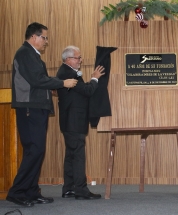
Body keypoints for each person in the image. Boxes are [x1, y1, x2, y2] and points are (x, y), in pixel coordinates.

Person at [7, 22, 78, 207]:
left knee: (37, 151)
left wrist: (51, 89)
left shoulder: (33, 55)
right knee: (33, 150)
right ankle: (17, 192)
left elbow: (37, 82)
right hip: (30, 108)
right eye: (44, 37)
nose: (46, 41)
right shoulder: (25, 53)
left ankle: (31, 192)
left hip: (37, 107)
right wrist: (61, 83)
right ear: (34, 37)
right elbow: (37, 80)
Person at [56, 46, 105, 200]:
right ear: (68, 59)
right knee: (78, 156)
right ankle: (81, 191)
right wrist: (95, 78)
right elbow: (87, 90)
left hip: (69, 121)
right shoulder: (68, 73)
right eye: (78, 57)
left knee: (71, 155)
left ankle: (69, 188)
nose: (80, 60)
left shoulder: (65, 71)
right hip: (74, 121)